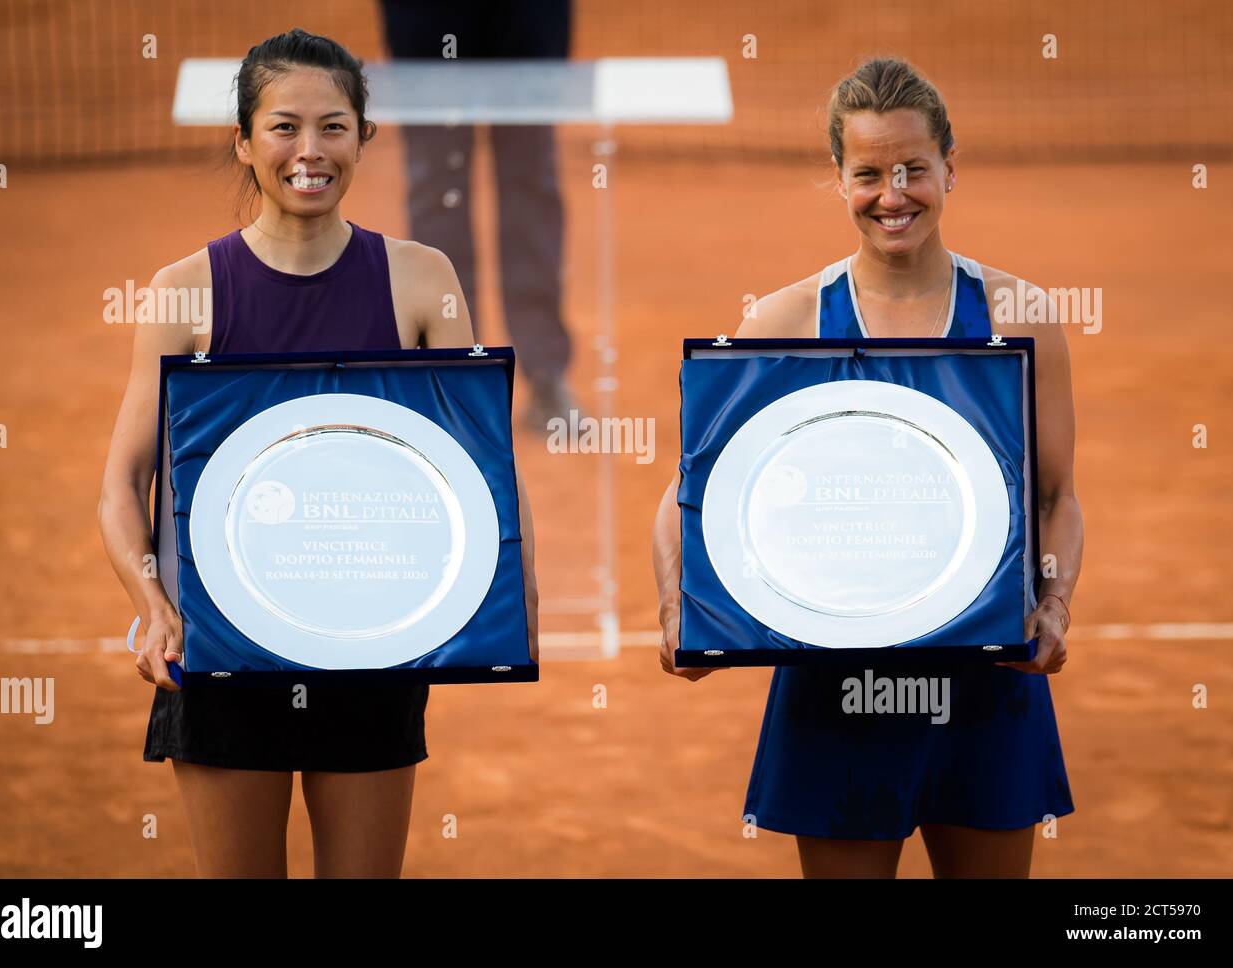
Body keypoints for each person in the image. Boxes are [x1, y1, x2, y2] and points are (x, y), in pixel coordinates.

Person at [97, 28, 538, 877]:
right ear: (244, 141)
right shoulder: (185, 289)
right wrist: (154, 606)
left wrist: (497, 606)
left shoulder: (421, 279)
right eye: (284, 127)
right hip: (221, 649)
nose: (310, 151)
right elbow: (124, 477)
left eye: (334, 126)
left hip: (370, 648)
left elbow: (478, 471)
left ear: (365, 137)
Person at [651, 57, 1081, 878]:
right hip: (834, 682)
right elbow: (688, 490)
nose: (895, 193)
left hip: (986, 680)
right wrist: (681, 609)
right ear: (839, 179)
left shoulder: (1023, 316)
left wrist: (1055, 605)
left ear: (951, 167)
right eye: (870, 173)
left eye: (915, 169)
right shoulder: (784, 320)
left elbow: (1059, 495)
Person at [379, 0, 577, 432]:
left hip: (527, 19)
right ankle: (451, 373)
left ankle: (545, 374)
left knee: (531, 183)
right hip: (428, 21)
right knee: (437, 191)